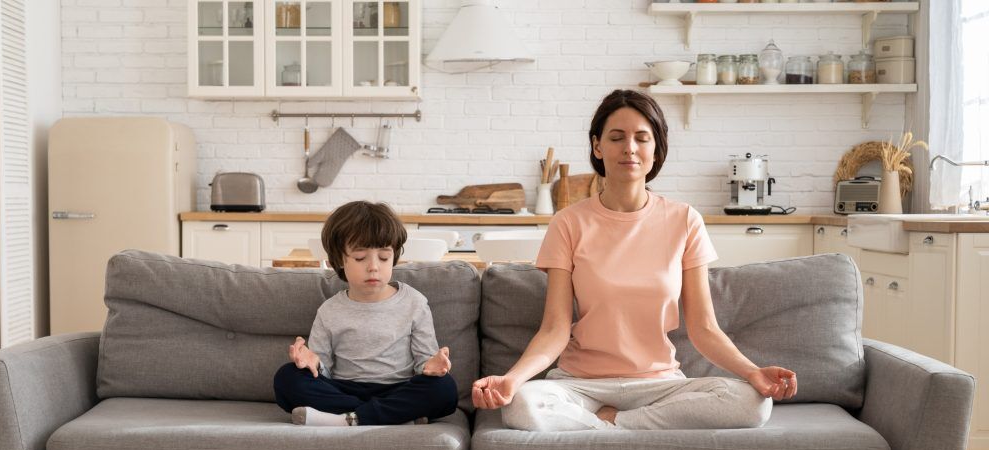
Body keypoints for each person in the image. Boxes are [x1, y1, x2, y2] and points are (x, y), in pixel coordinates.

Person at [472, 89, 797, 431]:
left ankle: (612, 424)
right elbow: (554, 328)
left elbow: (704, 328)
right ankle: (630, 428)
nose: (629, 147)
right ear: (598, 147)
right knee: (521, 405)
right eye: (616, 137)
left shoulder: (685, 220)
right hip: (582, 382)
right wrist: (512, 379)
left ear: (656, 149)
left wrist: (752, 372)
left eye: (642, 138)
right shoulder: (568, 222)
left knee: (752, 405)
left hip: (658, 383)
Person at [274, 201, 458, 426]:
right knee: (287, 378)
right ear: (341, 260)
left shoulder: (414, 302)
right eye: (360, 258)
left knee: (444, 389)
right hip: (344, 388)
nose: (373, 267)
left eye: (383, 257)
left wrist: (433, 367)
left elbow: (424, 364)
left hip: (398, 388)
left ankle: (347, 419)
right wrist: (312, 362)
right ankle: (391, 416)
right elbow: (324, 371)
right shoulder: (330, 310)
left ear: (394, 257)